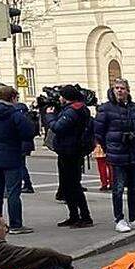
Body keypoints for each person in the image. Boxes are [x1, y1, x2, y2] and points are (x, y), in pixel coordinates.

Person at [0, 86, 37, 236]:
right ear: (12, 98)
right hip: (12, 155)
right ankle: (16, 224)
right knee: (13, 192)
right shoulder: (15, 114)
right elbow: (28, 131)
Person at [94, 78, 135, 233]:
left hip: (134, 152)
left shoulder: (134, 108)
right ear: (113, 90)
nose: (119, 91)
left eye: (122, 88)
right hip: (117, 153)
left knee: (133, 187)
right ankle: (119, 219)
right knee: (118, 188)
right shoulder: (105, 109)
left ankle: (134, 217)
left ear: (128, 90)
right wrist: (110, 147)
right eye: (117, 88)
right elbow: (99, 132)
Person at [45, 85, 95, 229]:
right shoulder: (76, 108)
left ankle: (85, 217)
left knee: (73, 185)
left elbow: (59, 127)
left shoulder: (74, 111)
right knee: (67, 185)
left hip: (71, 151)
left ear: (66, 97)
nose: (59, 99)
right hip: (68, 150)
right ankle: (74, 216)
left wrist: (49, 116)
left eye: (61, 96)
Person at [15, 92, 37, 194]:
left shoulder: (20, 118)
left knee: (20, 165)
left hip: (21, 144)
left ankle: (27, 184)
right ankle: (26, 184)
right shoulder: (28, 118)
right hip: (27, 144)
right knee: (21, 165)